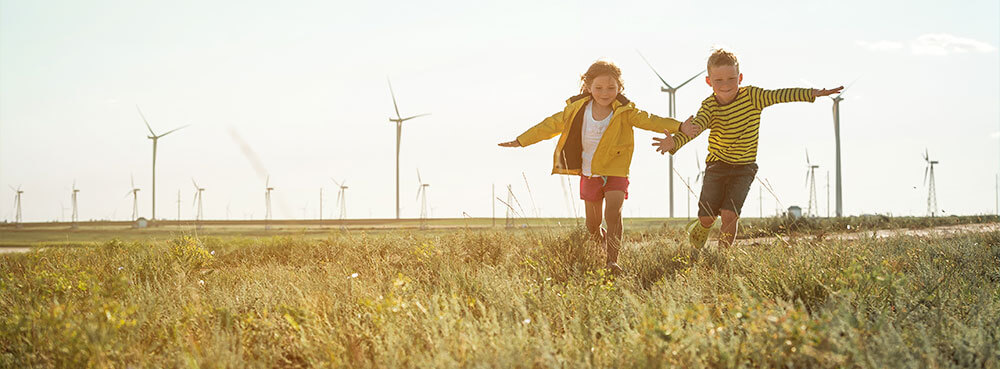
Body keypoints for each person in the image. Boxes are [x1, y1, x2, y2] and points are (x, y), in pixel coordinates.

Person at [500, 60, 689, 274]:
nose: (605, 93)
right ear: (589, 87)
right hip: (589, 172)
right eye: (599, 88)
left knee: (613, 213)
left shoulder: (626, 112)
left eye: (611, 88)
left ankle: (612, 261)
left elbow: (651, 120)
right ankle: (600, 243)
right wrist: (521, 140)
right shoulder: (576, 109)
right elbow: (549, 125)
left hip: (616, 170)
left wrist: (680, 126)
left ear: (619, 88)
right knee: (592, 225)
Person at [653, 48, 843, 248]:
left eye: (731, 79)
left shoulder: (753, 96)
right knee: (707, 217)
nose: (726, 85)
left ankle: (723, 256)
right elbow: (696, 127)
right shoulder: (709, 106)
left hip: (744, 167)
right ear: (709, 82)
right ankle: (702, 226)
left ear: (740, 77)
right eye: (719, 80)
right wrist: (675, 142)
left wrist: (812, 93)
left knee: (730, 214)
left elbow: (780, 95)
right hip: (717, 165)